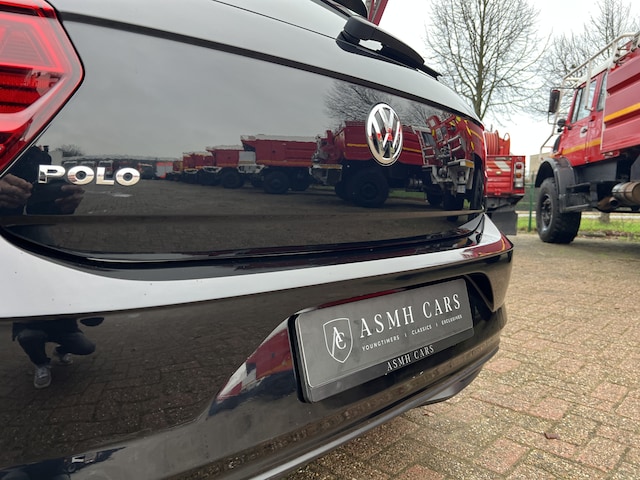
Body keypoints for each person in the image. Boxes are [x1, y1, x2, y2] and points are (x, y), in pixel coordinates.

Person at [12, 319, 97, 389]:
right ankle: (41, 364)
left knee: (86, 347)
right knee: (27, 336)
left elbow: (88, 320)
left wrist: (95, 313)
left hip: (64, 329)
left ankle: (61, 351)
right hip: (33, 328)